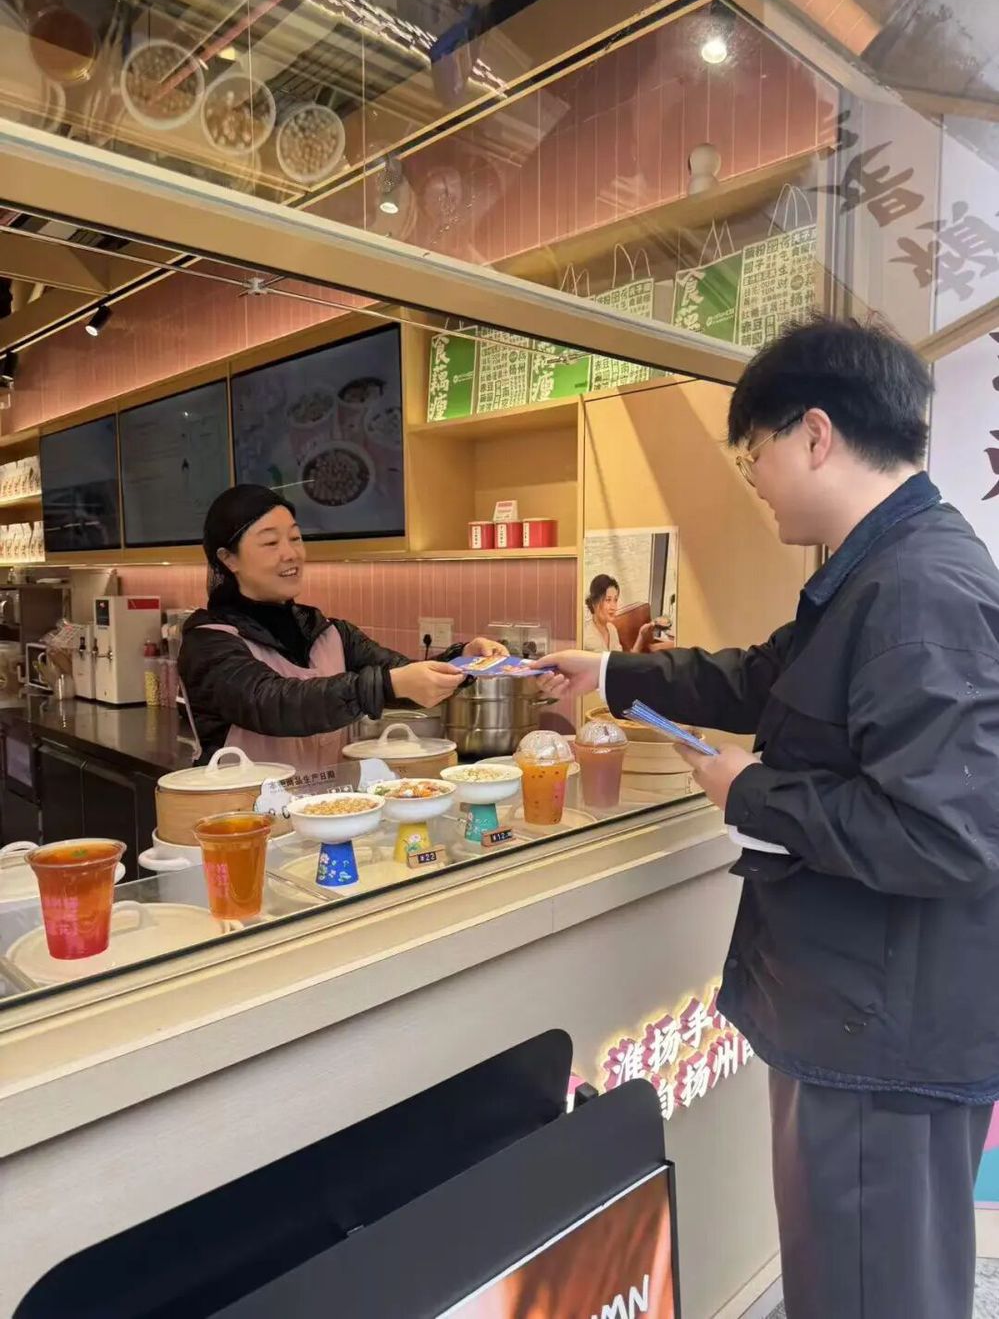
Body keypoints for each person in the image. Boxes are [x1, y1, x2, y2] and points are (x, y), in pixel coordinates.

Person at [533, 317, 999, 1319]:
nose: (753, 477)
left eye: (755, 451)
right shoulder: (877, 568)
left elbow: (944, 836)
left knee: (871, 1291)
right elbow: (760, 676)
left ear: (816, 434)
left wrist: (748, 792)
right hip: (863, 1011)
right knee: (856, 1279)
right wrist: (609, 671)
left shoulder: (916, 590)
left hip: (885, 1034)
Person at [179, 485, 507, 773]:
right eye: (270, 542)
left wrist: (465, 661)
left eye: (295, 538)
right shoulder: (209, 642)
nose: (290, 553)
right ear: (228, 559)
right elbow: (275, 703)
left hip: (327, 812)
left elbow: (404, 677)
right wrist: (389, 684)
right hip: (242, 818)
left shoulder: (330, 633)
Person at [582, 574, 671, 654]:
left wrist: (641, 635)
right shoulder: (584, 636)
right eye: (608, 600)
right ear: (595, 602)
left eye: (615, 600)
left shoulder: (612, 629)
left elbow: (624, 663)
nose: (613, 607)